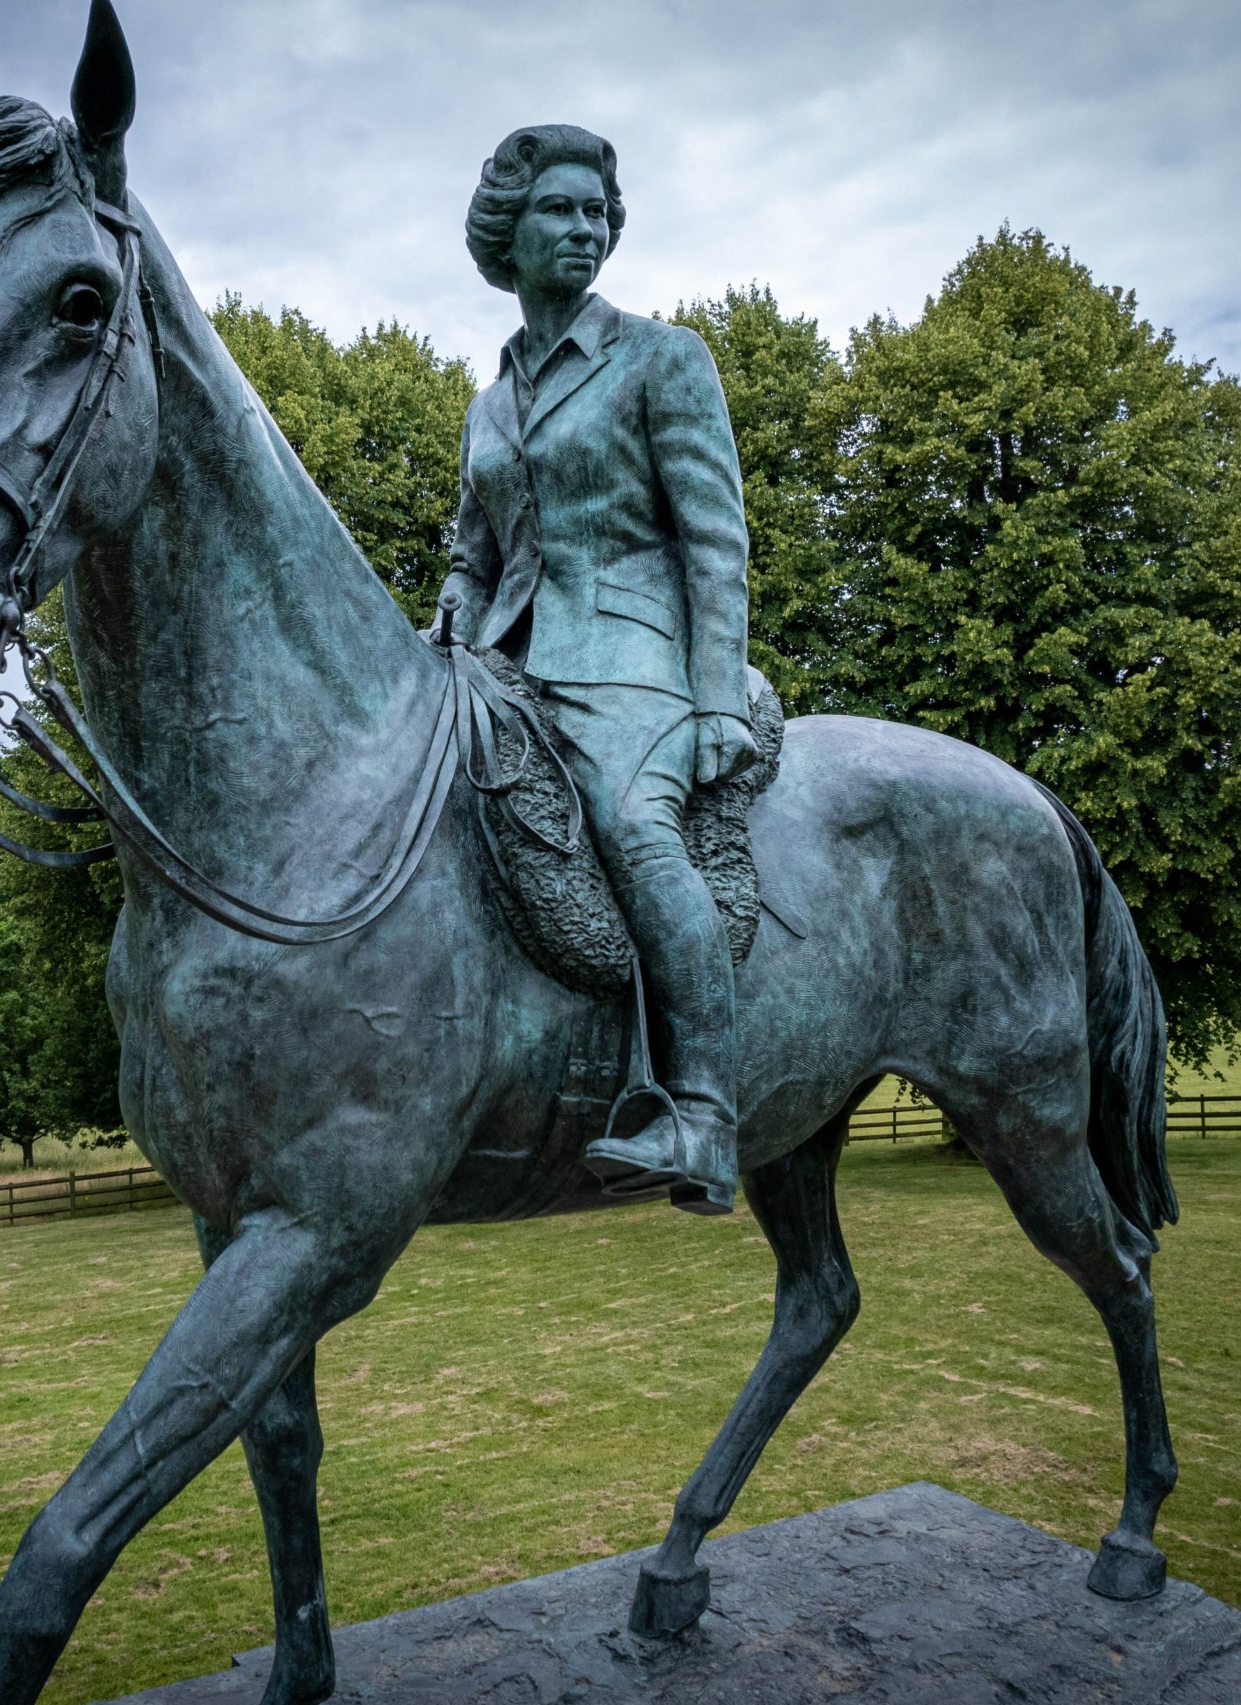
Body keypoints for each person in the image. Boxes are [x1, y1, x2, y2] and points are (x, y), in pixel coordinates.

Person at [433, 123, 756, 1215]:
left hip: (636, 660)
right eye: (558, 212)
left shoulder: (663, 358)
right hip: (503, 661)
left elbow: (714, 537)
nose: (584, 229)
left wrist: (717, 692)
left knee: (630, 820)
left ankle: (703, 1114)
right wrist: (452, 624)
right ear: (507, 237)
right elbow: (472, 553)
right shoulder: (489, 403)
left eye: (595, 212)